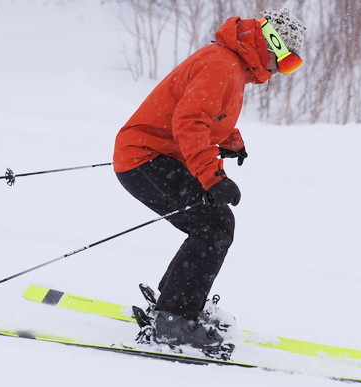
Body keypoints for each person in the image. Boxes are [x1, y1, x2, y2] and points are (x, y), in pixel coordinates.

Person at [113, 3, 306, 350]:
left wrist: (230, 141)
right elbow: (190, 123)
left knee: (213, 224)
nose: (282, 71)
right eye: (288, 60)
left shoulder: (231, 64)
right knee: (213, 225)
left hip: (155, 154)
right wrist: (213, 178)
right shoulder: (222, 65)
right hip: (144, 157)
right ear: (273, 45)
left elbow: (207, 116)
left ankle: (174, 307)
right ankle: (173, 320)